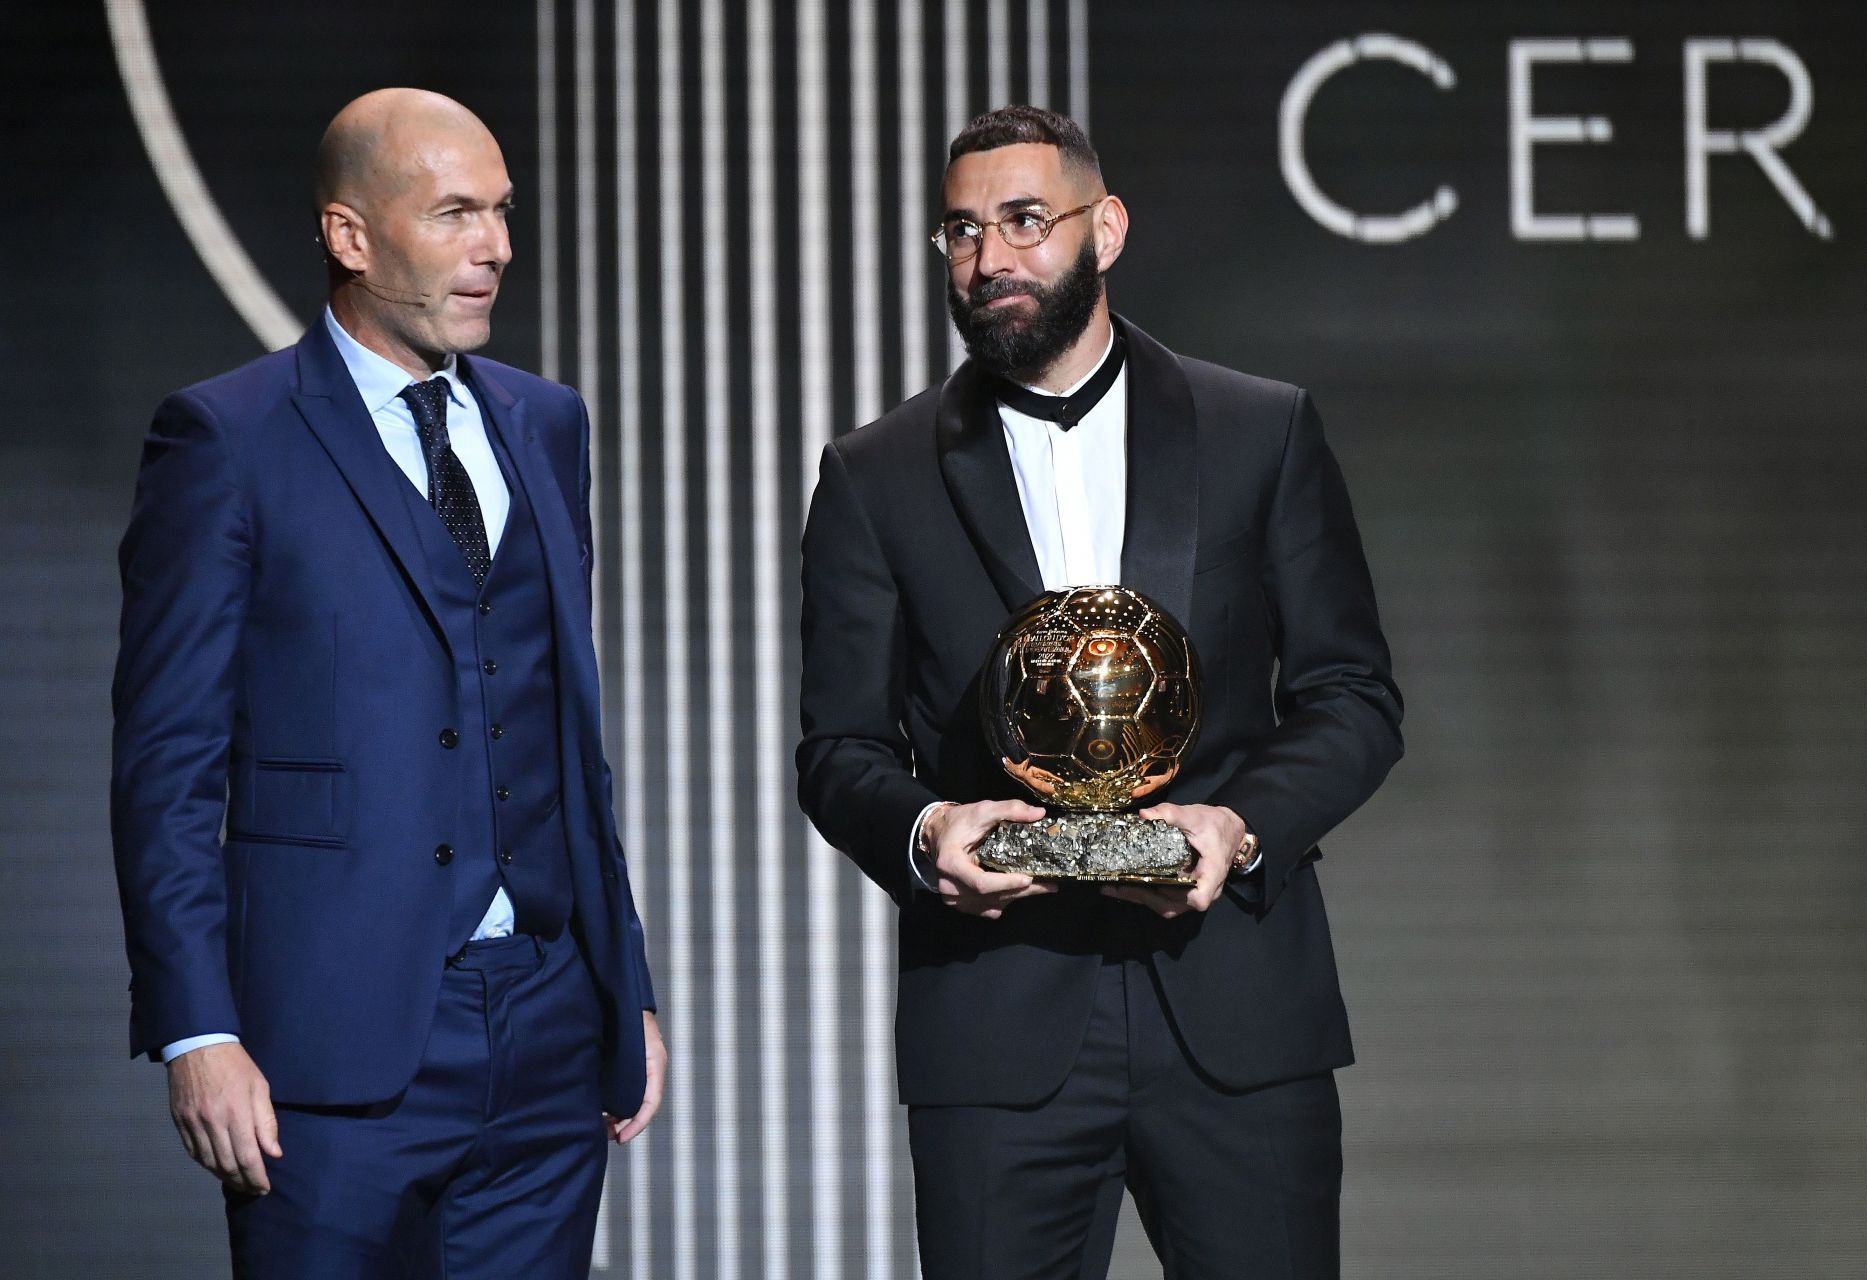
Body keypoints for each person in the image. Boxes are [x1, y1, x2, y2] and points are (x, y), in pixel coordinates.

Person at [796, 105, 1403, 1277]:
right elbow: (838, 749)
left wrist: (1239, 822)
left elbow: (1354, 696)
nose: (991, 259)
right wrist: (929, 832)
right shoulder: (873, 475)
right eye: (961, 233)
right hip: (997, 1024)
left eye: (1026, 220)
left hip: (1236, 1012)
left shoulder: (1259, 430)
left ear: (1106, 226)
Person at [110, 88, 664, 1277]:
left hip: (550, 1033)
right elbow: (167, 759)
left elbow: (565, 730)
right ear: (350, 236)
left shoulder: (545, 422)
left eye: (503, 212)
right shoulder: (228, 439)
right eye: (457, 212)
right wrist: (197, 1029)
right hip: (326, 1048)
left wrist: (625, 982)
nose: (497, 246)